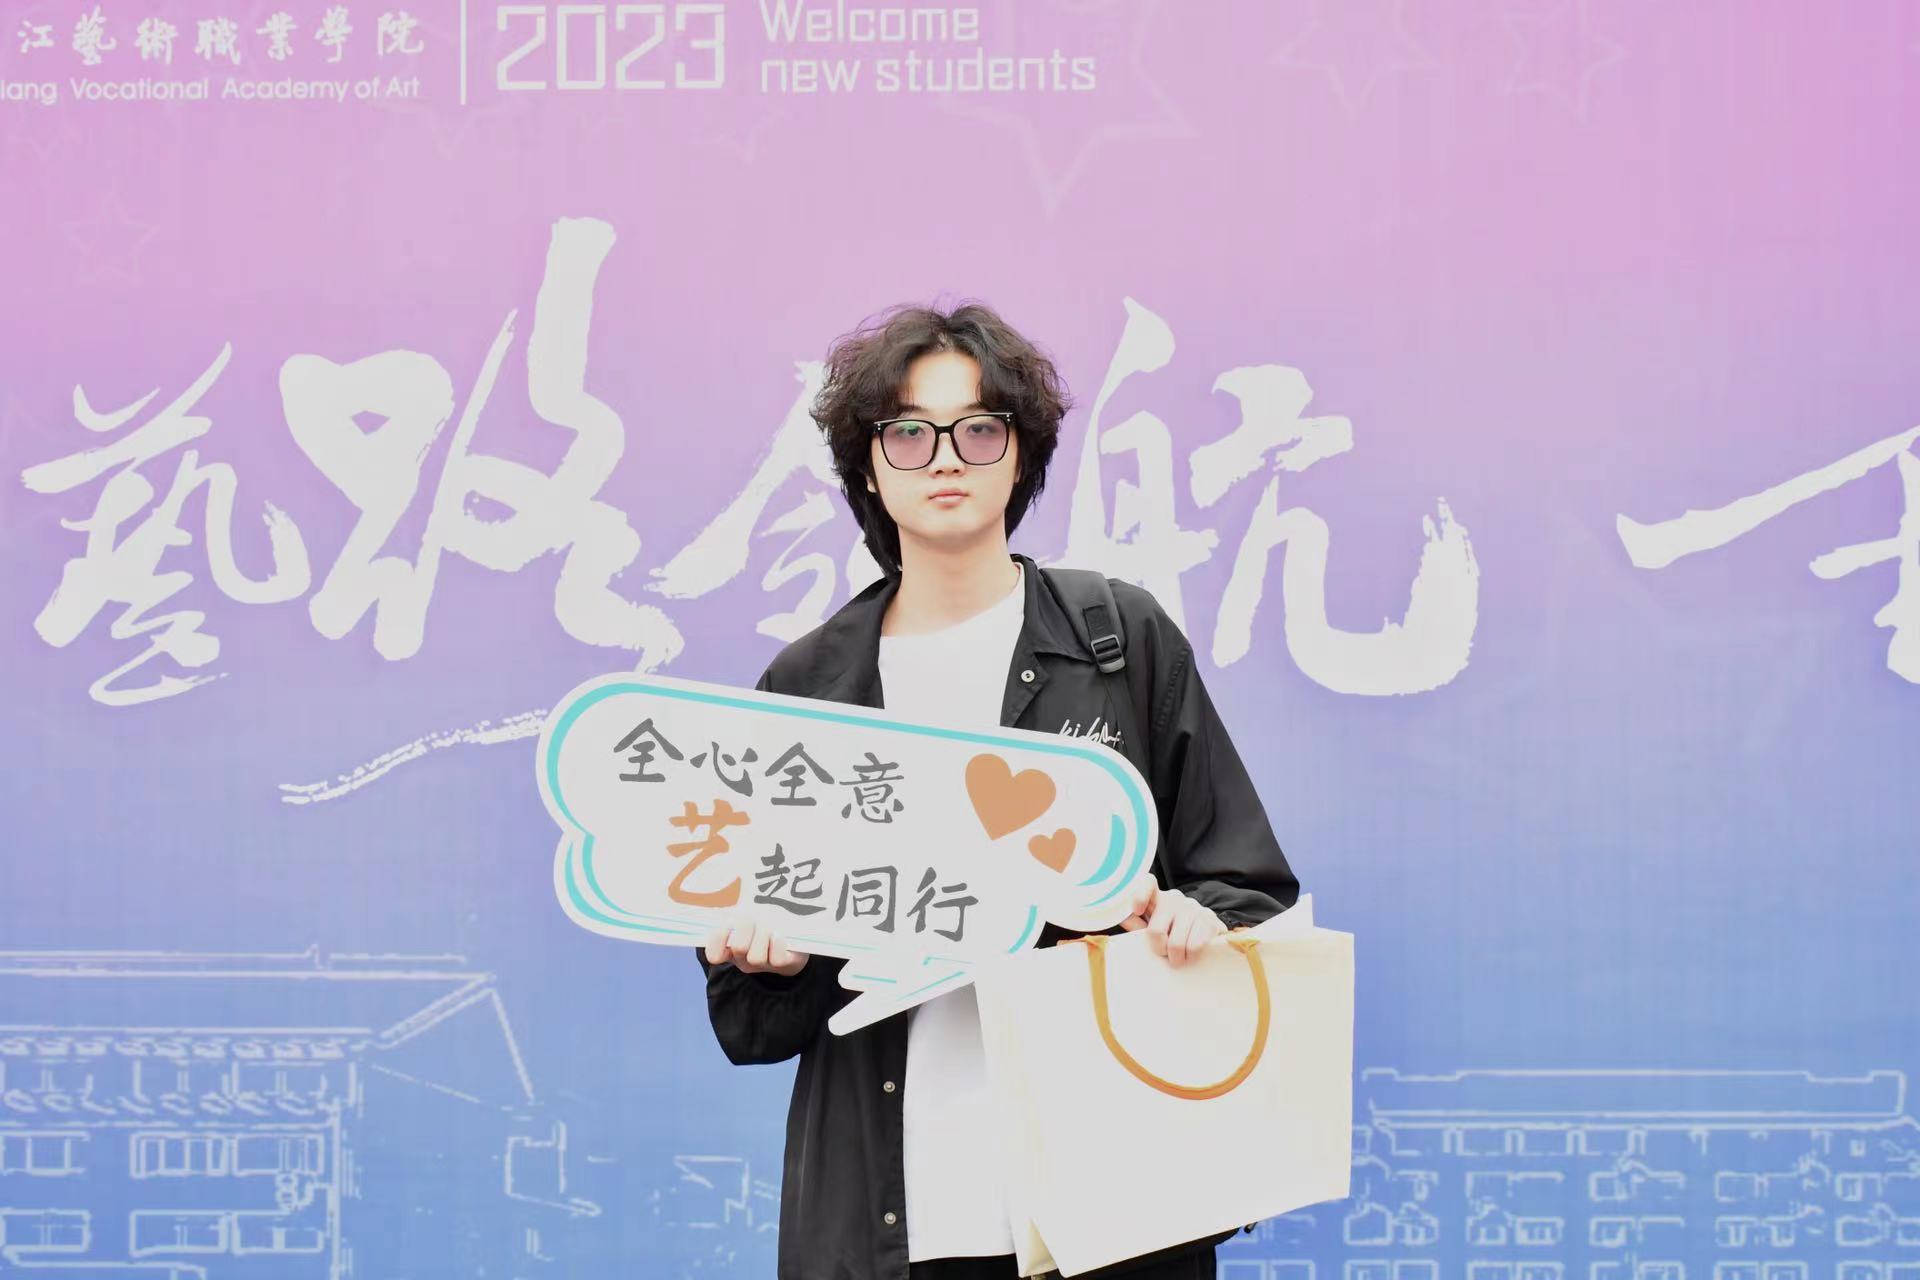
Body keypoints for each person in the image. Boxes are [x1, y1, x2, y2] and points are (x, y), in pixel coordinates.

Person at [697, 301, 1300, 1280]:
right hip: (897, 1226)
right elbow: (749, 1020)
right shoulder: (808, 687)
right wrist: (771, 960)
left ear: (1021, 456)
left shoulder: (1119, 640)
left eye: (979, 429)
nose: (946, 458)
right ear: (868, 465)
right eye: (909, 432)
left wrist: (1191, 924)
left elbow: (1249, 890)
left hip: (1108, 1209)